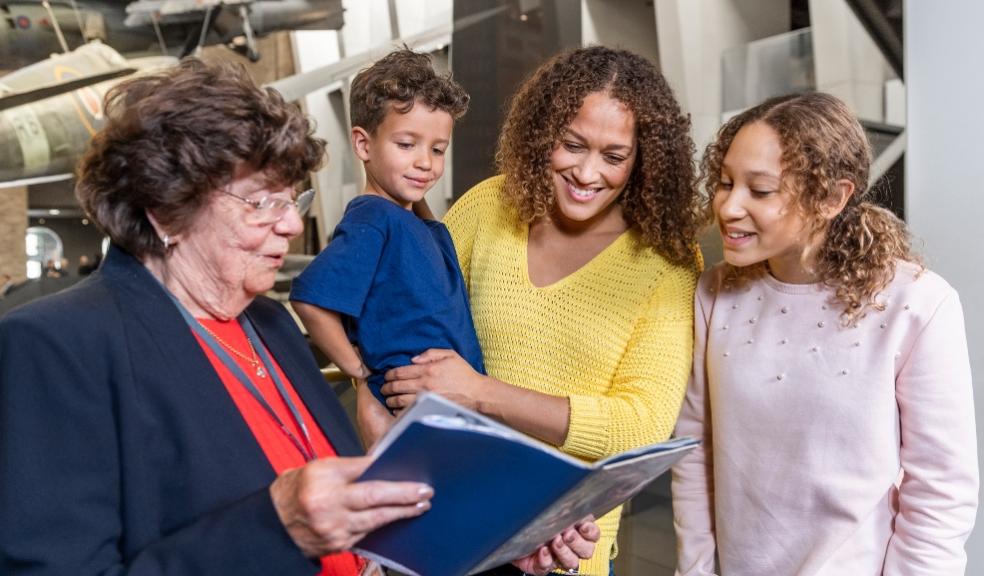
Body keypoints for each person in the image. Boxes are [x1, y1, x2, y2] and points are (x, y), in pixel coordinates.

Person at [0, 59, 599, 576]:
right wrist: (276, 524)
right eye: (262, 201)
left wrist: (500, 538)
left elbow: (363, 528)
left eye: (293, 199)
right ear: (164, 210)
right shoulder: (56, 348)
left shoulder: (271, 325)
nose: (290, 224)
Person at [375, 46, 707, 575]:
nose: (587, 172)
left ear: (643, 161)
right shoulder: (488, 207)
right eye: (571, 145)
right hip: (439, 523)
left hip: (560, 548)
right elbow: (410, 330)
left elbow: (640, 428)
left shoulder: (666, 261)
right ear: (542, 133)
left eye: (614, 156)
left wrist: (482, 393)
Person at [672, 92, 978, 575]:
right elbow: (693, 452)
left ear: (832, 198)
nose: (729, 207)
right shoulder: (715, 293)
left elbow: (941, 490)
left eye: (761, 190)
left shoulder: (917, 303)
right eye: (726, 183)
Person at [290, 49, 484, 435]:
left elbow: (427, 227)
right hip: (414, 410)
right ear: (363, 145)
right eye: (406, 144)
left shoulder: (412, 221)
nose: (425, 162)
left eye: (437, 149)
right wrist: (361, 373)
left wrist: (415, 191)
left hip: (451, 403)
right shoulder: (374, 217)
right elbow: (310, 299)